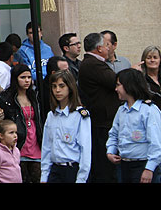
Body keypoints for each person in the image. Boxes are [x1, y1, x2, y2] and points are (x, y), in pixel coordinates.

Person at [77, 31, 120, 183]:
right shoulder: (93, 64)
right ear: (100, 48)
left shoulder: (92, 63)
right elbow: (114, 81)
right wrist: (131, 73)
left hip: (104, 122)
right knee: (105, 169)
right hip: (102, 122)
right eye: (107, 45)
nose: (109, 49)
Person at [107, 67, 161, 183]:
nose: (116, 89)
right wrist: (110, 151)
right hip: (124, 164)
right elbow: (114, 133)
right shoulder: (121, 110)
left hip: (142, 164)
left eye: (118, 85)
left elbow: (156, 142)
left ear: (129, 85)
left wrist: (149, 168)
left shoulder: (149, 110)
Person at [40, 69, 91, 183]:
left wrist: (81, 178)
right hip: (55, 169)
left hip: (72, 169)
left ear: (70, 87)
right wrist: (44, 175)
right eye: (54, 86)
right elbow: (47, 147)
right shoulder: (51, 115)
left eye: (62, 86)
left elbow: (85, 148)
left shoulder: (79, 115)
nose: (57, 90)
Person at [0, 63, 43, 183]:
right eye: (23, 77)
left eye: (28, 77)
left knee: (37, 176)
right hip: (18, 141)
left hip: (35, 140)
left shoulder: (34, 96)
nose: (27, 80)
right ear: (15, 78)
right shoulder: (7, 99)